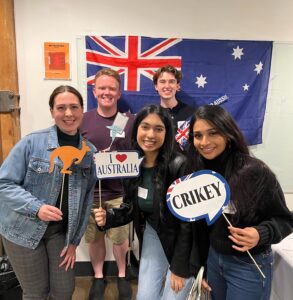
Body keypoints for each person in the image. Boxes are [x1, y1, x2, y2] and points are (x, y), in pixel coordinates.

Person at [95, 104, 206, 300]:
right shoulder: (132, 163)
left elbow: (190, 224)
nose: (150, 134)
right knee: (145, 296)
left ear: (167, 133)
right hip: (155, 233)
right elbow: (130, 208)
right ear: (136, 129)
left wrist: (180, 267)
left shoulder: (180, 165)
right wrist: (109, 217)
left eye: (158, 129)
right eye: (145, 127)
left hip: (184, 242)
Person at [184, 105, 293, 300]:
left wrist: (260, 233)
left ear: (228, 133)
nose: (204, 142)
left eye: (213, 133)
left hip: (248, 265)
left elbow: (285, 220)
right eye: (198, 135)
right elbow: (198, 228)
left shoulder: (255, 171)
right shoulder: (196, 174)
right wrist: (199, 267)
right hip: (213, 259)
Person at [0, 85, 96, 300]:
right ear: (52, 111)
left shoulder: (90, 152)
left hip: (59, 234)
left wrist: (74, 241)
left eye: (74, 107)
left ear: (82, 110)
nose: (68, 114)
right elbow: (4, 183)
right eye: (61, 108)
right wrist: (37, 208)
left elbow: (86, 200)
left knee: (64, 291)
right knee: (36, 293)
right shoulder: (32, 143)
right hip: (22, 230)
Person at [80, 68, 134, 300]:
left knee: (120, 239)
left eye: (111, 88)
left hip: (120, 193)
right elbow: (74, 154)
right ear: (94, 91)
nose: (107, 92)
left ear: (119, 92)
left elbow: (139, 151)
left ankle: (122, 275)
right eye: (102, 88)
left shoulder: (130, 120)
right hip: (91, 192)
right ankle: (98, 276)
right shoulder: (83, 119)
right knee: (95, 238)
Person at [153, 65, 195, 130]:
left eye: (171, 81)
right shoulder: (152, 115)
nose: (167, 86)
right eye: (162, 82)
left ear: (178, 86)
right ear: (156, 87)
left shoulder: (191, 114)